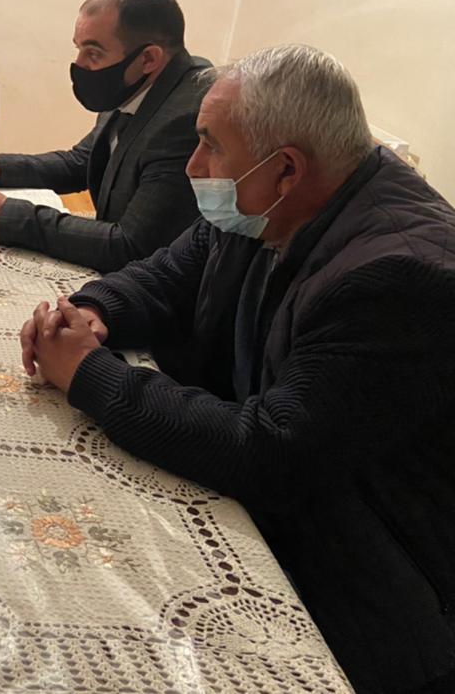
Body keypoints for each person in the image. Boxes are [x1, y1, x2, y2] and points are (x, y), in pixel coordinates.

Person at [22, 45, 455, 694]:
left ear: (286, 169)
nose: (193, 166)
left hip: (375, 587)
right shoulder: (274, 200)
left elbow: (270, 449)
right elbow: (168, 274)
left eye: (209, 145)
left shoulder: (398, 277)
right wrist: (93, 311)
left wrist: (89, 373)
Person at [0, 0, 208, 272]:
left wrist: (3, 213)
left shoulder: (185, 120)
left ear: (148, 58)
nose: (80, 65)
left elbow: (130, 246)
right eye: (78, 49)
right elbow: (81, 162)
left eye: (93, 53)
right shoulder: (136, 83)